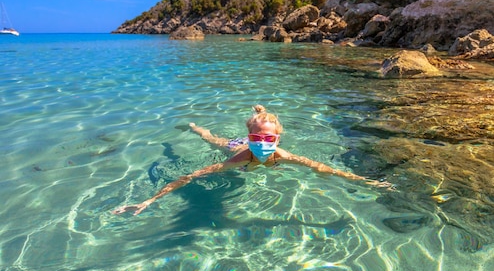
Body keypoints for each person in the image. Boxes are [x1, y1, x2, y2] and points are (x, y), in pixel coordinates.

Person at [113, 105, 390, 216]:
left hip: (259, 141)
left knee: (266, 129)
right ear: (250, 137)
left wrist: (366, 182)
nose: (262, 144)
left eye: (269, 140)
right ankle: (194, 126)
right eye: (256, 138)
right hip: (233, 147)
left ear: (278, 141)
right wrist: (149, 201)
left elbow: (324, 169)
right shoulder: (241, 155)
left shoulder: (283, 155)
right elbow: (190, 176)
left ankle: (262, 112)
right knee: (210, 138)